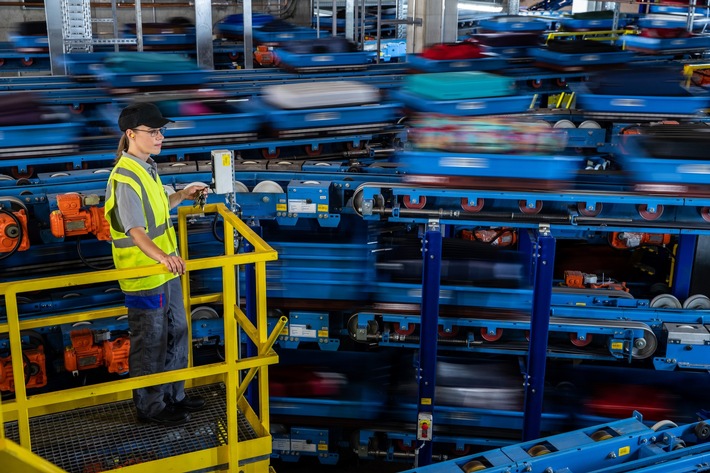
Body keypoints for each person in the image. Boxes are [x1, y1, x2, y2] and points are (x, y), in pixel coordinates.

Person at [104, 102, 207, 426]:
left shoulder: (147, 167)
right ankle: (151, 408)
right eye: (153, 131)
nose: (160, 136)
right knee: (151, 342)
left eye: (161, 130)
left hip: (166, 271)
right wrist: (163, 257)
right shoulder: (124, 178)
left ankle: (174, 397)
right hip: (145, 276)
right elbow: (136, 231)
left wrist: (183, 195)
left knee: (178, 330)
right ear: (131, 134)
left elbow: (159, 210)